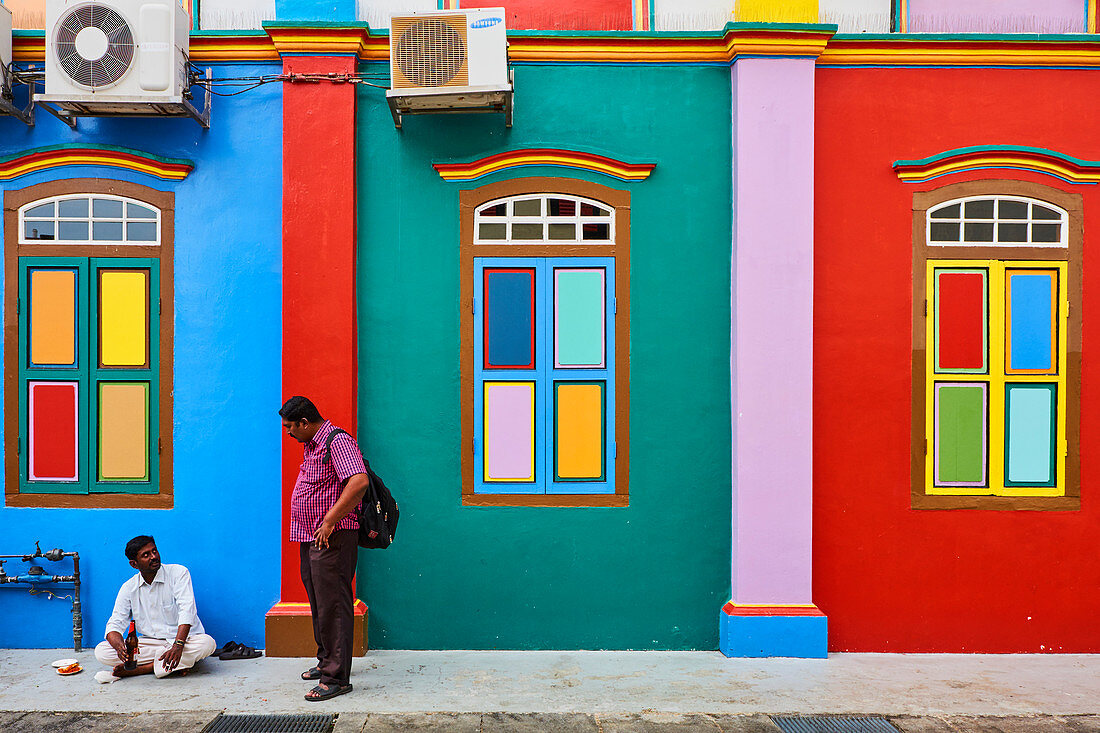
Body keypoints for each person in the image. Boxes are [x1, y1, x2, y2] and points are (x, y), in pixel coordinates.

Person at [280, 395, 370, 702]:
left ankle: (336, 678)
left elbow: (359, 482)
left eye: (290, 426)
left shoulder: (337, 441)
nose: (288, 432)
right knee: (319, 601)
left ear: (305, 423)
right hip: (311, 535)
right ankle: (327, 661)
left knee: (334, 604)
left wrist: (330, 520)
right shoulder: (312, 445)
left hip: (333, 536)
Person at [94, 536, 217, 679]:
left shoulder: (179, 573)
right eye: (146, 555)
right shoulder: (129, 588)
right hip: (151, 644)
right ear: (134, 564)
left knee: (207, 644)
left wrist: (178, 645)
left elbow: (187, 611)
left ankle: (143, 669)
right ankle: (173, 665)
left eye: (154, 551)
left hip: (183, 640)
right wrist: (120, 648)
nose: (153, 557)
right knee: (102, 651)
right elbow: (115, 623)